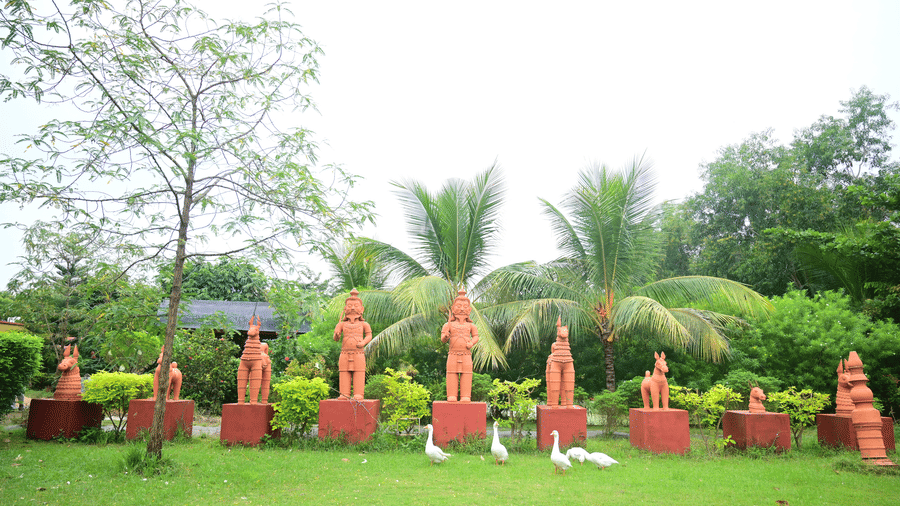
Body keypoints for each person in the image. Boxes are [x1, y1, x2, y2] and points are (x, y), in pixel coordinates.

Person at [333, 289, 373, 400]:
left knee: (359, 372)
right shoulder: (341, 324)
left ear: (362, 309)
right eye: (349, 306)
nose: (353, 308)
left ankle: (358, 393)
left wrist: (363, 342)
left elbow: (369, 336)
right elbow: (336, 338)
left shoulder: (364, 324)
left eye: (356, 305)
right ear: (345, 309)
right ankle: (344, 394)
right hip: (344, 353)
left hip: (359, 353)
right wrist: (336, 334)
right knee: (344, 372)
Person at [441, 290, 480, 402]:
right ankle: (451, 395)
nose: (462, 309)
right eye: (458, 306)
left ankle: (465, 396)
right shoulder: (448, 325)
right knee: (451, 374)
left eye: (465, 306)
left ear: (469, 310)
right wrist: (446, 336)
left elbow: (476, 337)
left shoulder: (471, 325)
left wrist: (471, 343)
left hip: (466, 354)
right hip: (452, 354)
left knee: (467, 375)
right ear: (453, 309)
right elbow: (443, 339)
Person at [545, 317, 575, 407]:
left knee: (569, 384)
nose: (564, 332)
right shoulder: (554, 346)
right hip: (555, 362)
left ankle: (568, 404)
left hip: (568, 361)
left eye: (566, 331)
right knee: (554, 384)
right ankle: (553, 403)